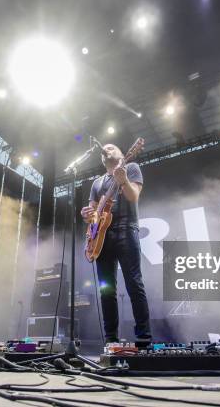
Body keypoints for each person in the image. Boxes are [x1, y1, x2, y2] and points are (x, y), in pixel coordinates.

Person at [80, 144, 151, 344]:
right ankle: (111, 340)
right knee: (106, 290)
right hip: (101, 238)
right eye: (104, 149)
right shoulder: (97, 183)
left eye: (111, 147)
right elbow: (93, 212)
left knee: (134, 283)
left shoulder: (132, 167)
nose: (106, 149)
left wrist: (124, 181)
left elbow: (133, 196)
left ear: (122, 153)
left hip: (126, 230)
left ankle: (144, 338)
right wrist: (87, 215)